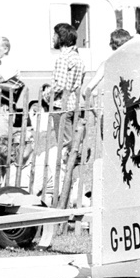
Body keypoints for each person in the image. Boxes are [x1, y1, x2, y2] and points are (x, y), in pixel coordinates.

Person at [45, 22, 87, 204]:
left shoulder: (62, 58)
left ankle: (66, 191)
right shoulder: (78, 58)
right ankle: (73, 188)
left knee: (64, 149)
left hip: (61, 106)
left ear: (60, 38)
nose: (53, 38)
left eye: (55, 35)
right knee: (72, 147)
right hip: (74, 105)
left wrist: (47, 94)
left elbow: (60, 85)